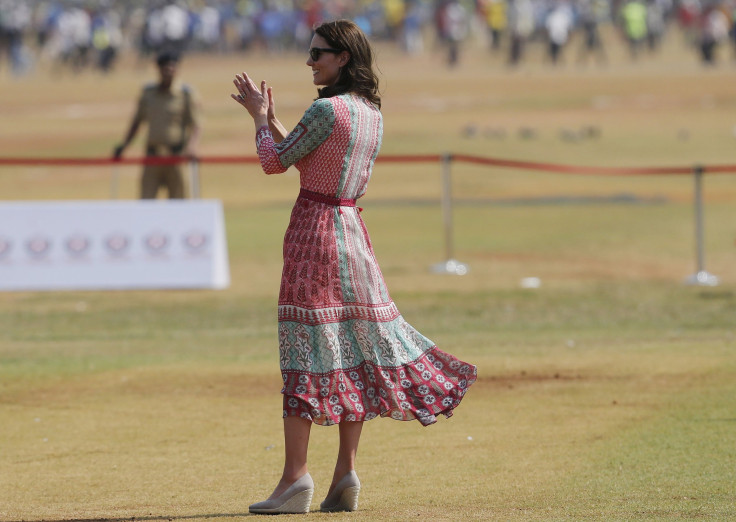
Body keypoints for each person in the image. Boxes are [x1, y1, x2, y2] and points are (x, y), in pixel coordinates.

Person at [231, 19, 477, 515]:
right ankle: (345, 473)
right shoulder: (370, 112)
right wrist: (278, 122)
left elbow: (274, 162)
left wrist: (259, 118)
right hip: (351, 232)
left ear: (343, 58)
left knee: (305, 350)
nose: (309, 61)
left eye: (318, 53)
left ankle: (294, 479)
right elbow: (308, 157)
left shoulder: (326, 109)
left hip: (313, 233)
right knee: (353, 350)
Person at [113, 51, 200, 199]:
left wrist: (192, 147)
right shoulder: (149, 94)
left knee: (179, 204)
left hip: (176, 157)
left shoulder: (186, 94)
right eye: (165, 68)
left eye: (173, 67)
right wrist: (125, 145)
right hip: (152, 157)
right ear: (159, 70)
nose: (169, 71)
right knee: (147, 203)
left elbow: (196, 125)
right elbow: (137, 122)